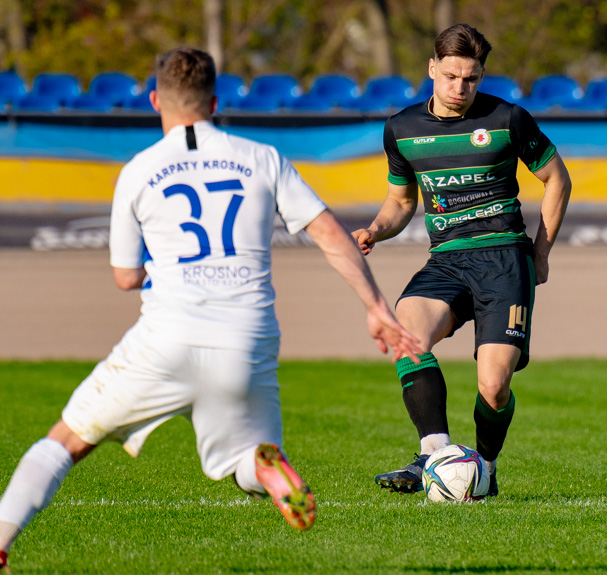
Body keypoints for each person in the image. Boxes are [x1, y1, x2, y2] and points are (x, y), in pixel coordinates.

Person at [0, 47, 421, 571]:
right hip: (247, 337)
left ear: (156, 99)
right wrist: (377, 308)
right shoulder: (261, 158)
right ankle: (265, 468)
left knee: (65, 441)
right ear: (216, 102)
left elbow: (125, 277)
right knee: (247, 454)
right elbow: (330, 234)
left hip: (166, 337)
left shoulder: (138, 170)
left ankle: (1, 539)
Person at [353, 23, 572, 497]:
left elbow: (557, 179)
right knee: (406, 336)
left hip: (505, 261)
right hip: (447, 260)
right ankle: (435, 453)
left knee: (494, 387)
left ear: (481, 75)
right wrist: (375, 230)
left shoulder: (508, 119)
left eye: (471, 79)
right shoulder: (402, 129)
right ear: (432, 68)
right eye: (451, 76)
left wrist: (542, 252)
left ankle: (486, 472)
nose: (460, 88)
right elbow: (400, 204)